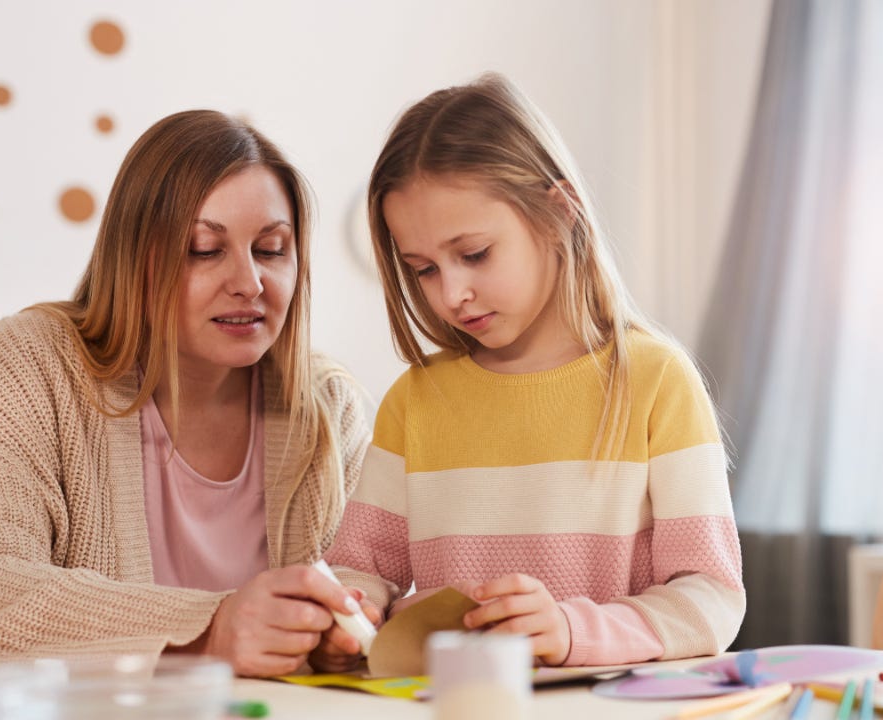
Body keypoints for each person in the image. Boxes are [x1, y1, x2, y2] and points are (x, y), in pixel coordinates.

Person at [0, 110, 376, 677]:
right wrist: (210, 629)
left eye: (272, 249)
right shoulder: (28, 365)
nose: (249, 282)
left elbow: (362, 576)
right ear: (134, 259)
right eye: (205, 249)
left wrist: (345, 627)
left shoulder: (329, 406)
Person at [314, 73, 744, 670]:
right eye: (423, 269)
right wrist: (349, 614)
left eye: (474, 254)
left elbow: (711, 597)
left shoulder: (656, 382)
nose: (452, 295)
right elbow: (360, 570)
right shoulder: (415, 400)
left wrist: (571, 630)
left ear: (558, 212)